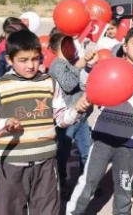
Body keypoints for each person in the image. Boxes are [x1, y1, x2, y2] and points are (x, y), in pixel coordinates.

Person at [0, 29, 91, 215]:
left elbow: (62, 119)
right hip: (11, 166)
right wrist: (3, 123)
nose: (30, 65)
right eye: (23, 60)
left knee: (47, 210)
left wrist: (76, 109)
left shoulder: (49, 83)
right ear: (9, 59)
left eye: (35, 59)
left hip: (46, 164)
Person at [66, 26, 133, 215]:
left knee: (124, 189)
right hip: (103, 138)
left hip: (131, 143)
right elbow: (86, 85)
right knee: (88, 182)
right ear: (125, 46)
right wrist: (89, 67)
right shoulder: (109, 65)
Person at [48, 32, 93, 189]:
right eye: (71, 44)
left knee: (86, 152)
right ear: (64, 46)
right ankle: (61, 184)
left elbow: (80, 85)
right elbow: (68, 84)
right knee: (63, 154)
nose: (74, 48)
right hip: (66, 119)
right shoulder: (58, 65)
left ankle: (86, 183)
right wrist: (78, 67)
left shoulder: (69, 63)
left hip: (80, 117)